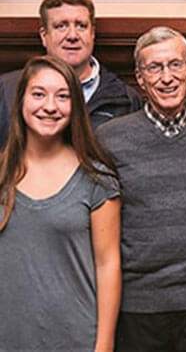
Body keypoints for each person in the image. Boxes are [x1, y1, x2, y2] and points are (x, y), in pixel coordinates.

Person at [96, 26, 186, 352]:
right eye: (154, 68)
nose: (166, 77)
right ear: (140, 77)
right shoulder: (110, 138)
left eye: (175, 64)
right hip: (137, 307)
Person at [0, 55, 121, 351]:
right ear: (21, 101)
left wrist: (103, 346)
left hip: (75, 338)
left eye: (63, 96)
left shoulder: (97, 179)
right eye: (38, 94)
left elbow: (108, 265)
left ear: (75, 107)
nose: (50, 106)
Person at [0, 0, 142, 147]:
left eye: (81, 25)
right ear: (44, 36)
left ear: (92, 33)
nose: (72, 36)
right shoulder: (6, 90)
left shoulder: (126, 99)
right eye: (61, 26)